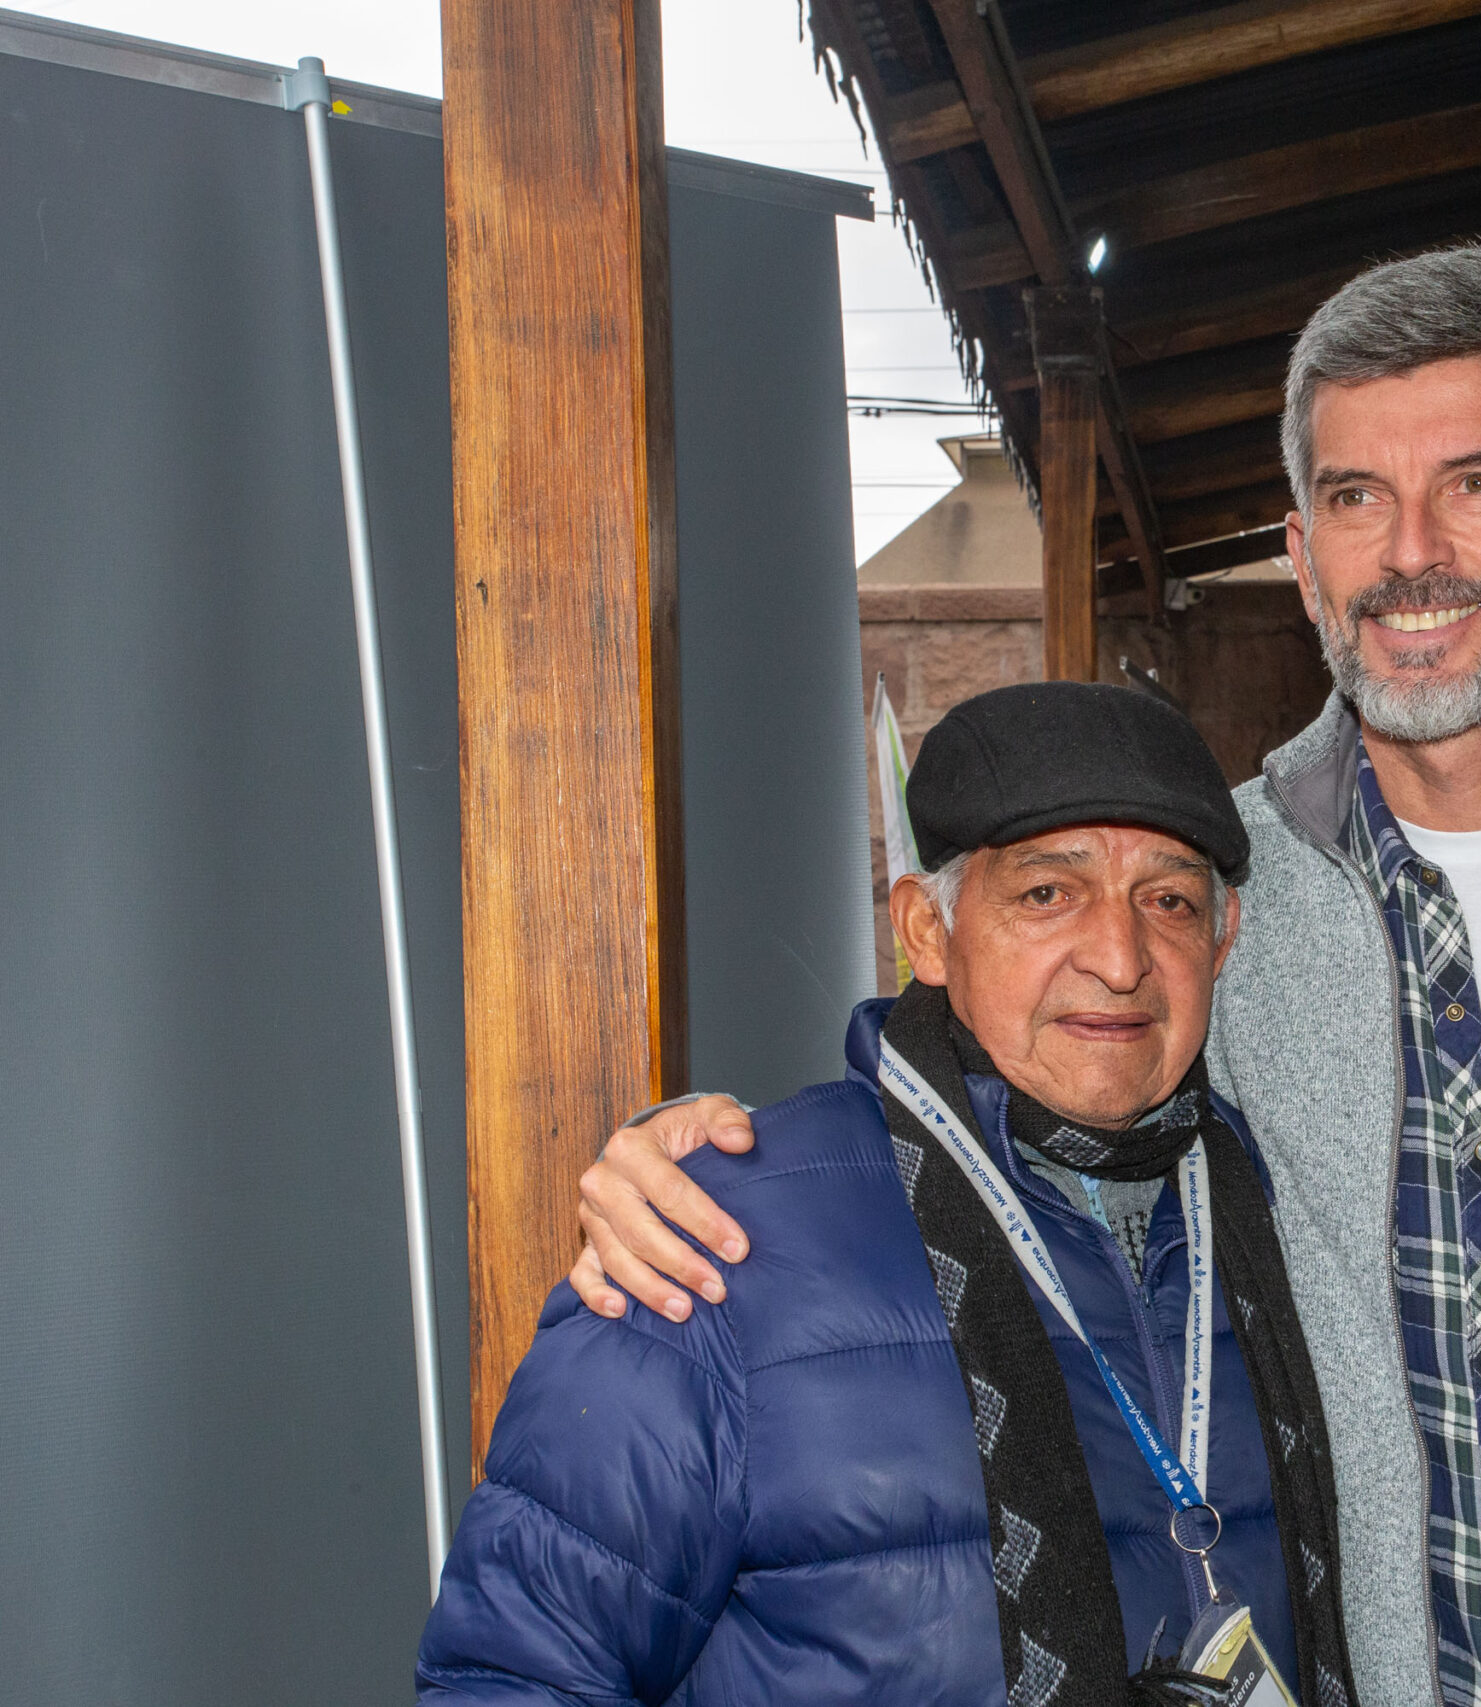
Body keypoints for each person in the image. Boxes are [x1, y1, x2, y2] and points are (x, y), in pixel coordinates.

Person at [578, 242, 1481, 1705]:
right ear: (1301, 558)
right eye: (1357, 496)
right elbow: (991, 1097)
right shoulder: (1209, 899)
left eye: (1476, 482)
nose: (1410, 551)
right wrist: (710, 1163)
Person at [417, 683, 1357, 1707]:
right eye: (1048, 893)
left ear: (1222, 940)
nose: (1120, 958)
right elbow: (514, 1677)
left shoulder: (1286, 1214)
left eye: (1168, 901)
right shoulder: (714, 1244)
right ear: (927, 930)